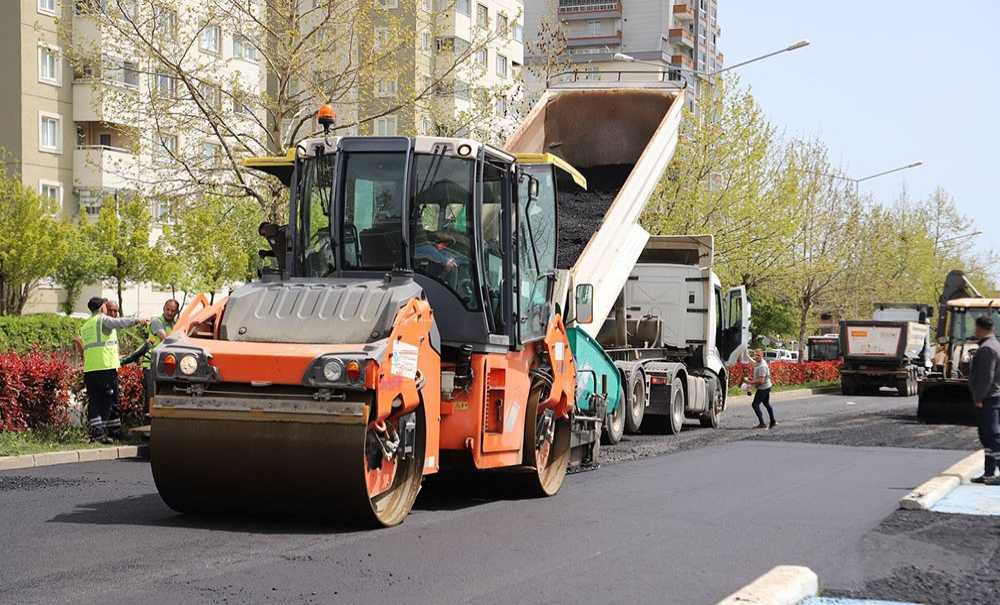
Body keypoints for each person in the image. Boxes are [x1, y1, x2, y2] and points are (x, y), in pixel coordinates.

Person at [74, 297, 148, 443]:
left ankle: (103, 432)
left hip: (91, 369)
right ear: (102, 308)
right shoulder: (102, 320)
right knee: (108, 400)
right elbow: (119, 323)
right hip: (104, 367)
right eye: (106, 307)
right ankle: (104, 433)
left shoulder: (87, 325)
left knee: (97, 401)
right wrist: (137, 321)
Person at [968, 315, 1000, 485]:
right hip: (994, 396)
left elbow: (986, 377)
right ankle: (988, 473)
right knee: (987, 437)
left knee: (993, 435)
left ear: (980, 328)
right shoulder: (995, 345)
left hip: (989, 398)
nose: (975, 331)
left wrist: (979, 397)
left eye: (975, 327)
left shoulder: (987, 348)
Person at [139, 299, 179, 414]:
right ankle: (148, 424)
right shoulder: (157, 322)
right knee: (151, 396)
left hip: (165, 365)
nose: (170, 312)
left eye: (173, 310)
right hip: (151, 363)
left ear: (176, 312)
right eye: (168, 309)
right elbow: (166, 339)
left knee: (163, 395)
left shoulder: (175, 324)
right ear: (163, 308)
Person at [750, 349, 776, 429]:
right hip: (766, 386)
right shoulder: (758, 363)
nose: (756, 357)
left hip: (764, 388)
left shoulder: (762, 366)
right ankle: (773, 421)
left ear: (762, 356)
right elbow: (753, 363)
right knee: (766, 403)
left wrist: (750, 382)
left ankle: (762, 423)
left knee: (755, 405)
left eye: (758, 355)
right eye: (755, 355)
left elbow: (761, 381)